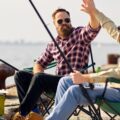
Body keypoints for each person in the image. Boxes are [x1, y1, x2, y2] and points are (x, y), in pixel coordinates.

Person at [12, 6, 100, 120]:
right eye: (60, 21)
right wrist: (37, 74)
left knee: (40, 79)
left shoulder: (79, 34)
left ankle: (22, 114)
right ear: (54, 24)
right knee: (20, 75)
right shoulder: (53, 43)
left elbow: (93, 28)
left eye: (67, 20)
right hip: (56, 83)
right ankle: (34, 114)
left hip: (74, 82)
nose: (64, 23)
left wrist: (92, 13)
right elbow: (39, 62)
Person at [46, 0, 120, 120]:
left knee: (75, 91)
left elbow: (115, 73)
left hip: (116, 91)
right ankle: (55, 117)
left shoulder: (78, 34)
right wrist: (93, 11)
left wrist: (86, 78)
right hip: (112, 87)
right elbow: (111, 28)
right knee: (65, 81)